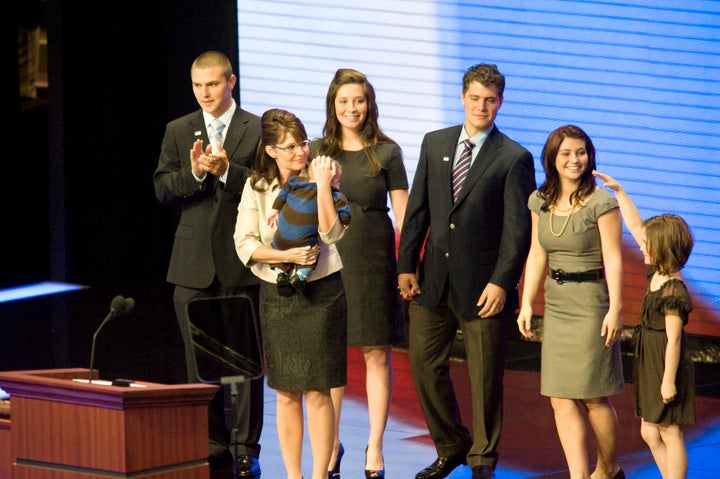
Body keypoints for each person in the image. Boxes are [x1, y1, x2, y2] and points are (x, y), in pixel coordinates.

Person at [397, 63, 536, 479]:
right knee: (423, 364)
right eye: (475, 98)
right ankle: (452, 443)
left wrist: (502, 282)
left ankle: (482, 459)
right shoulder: (434, 142)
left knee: (485, 379)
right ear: (463, 97)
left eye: (490, 100)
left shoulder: (514, 157)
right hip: (431, 282)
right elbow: (418, 209)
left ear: (501, 102)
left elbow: (518, 233)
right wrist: (406, 264)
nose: (482, 106)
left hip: (483, 289)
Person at [153, 50, 264, 478]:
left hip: (240, 262)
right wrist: (196, 174)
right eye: (198, 86)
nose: (205, 93)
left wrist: (226, 171)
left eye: (213, 84)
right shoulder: (179, 130)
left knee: (246, 361)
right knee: (199, 361)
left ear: (230, 82)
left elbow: (266, 185)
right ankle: (212, 440)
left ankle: (245, 445)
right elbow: (163, 188)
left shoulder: (256, 128)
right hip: (192, 263)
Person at [233, 108, 348, 479]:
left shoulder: (320, 174)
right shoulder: (257, 187)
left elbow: (331, 234)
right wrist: (285, 256)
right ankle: (293, 476)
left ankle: (319, 474)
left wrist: (326, 185)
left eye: (302, 143)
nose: (300, 151)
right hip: (278, 296)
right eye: (290, 147)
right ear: (270, 151)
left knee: (317, 389)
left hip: (322, 293)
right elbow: (245, 244)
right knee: (286, 392)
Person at [311, 67, 409, 479]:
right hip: (329, 260)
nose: (352, 108)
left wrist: (408, 269)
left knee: (375, 354)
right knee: (332, 358)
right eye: (344, 101)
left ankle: (376, 445)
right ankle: (331, 443)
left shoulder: (386, 151)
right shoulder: (318, 152)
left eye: (359, 100)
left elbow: (404, 217)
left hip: (373, 260)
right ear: (333, 106)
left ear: (369, 104)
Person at [516, 125, 625, 479]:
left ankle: (608, 469)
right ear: (552, 158)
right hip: (558, 303)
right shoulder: (539, 201)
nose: (574, 160)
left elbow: (613, 258)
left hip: (592, 303)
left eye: (580, 152)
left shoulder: (602, 203)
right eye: (566, 153)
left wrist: (616, 308)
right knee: (560, 397)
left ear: (589, 156)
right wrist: (527, 302)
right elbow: (536, 253)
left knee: (593, 396)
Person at [594, 171, 695, 479]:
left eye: (647, 244)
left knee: (668, 429)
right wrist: (620, 192)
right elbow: (637, 227)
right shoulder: (657, 273)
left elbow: (674, 341)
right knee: (650, 431)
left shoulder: (673, 291)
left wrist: (668, 381)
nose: (641, 245)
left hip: (665, 362)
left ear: (662, 248)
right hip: (648, 358)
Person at [267, 157, 351, 298]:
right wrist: (345, 220)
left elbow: (284, 192)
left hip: (280, 239)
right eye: (337, 180)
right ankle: (300, 277)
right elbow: (344, 210)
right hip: (304, 243)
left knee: (276, 246)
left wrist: (275, 209)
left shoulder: (295, 182)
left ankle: (280, 274)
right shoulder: (335, 195)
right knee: (312, 252)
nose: (339, 184)